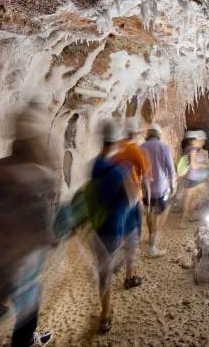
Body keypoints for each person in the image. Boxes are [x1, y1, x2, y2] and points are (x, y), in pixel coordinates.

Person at [0, 102, 60, 347]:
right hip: (24, 250)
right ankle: (26, 340)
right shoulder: (37, 175)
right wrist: (50, 237)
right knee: (29, 295)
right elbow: (42, 215)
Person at [88, 119, 134, 334]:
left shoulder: (94, 165)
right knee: (107, 269)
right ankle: (105, 315)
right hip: (112, 229)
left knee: (103, 270)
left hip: (95, 228)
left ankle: (106, 308)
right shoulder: (119, 171)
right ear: (114, 143)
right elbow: (131, 200)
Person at [113, 117, 149, 289]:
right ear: (134, 133)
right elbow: (143, 172)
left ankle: (116, 257)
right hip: (131, 195)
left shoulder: (116, 150)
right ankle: (129, 276)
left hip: (116, 196)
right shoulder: (134, 150)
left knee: (120, 229)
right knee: (133, 235)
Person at [140, 123, 175, 257]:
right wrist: (172, 185)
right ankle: (152, 247)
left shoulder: (141, 147)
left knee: (149, 212)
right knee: (159, 212)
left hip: (146, 187)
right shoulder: (163, 147)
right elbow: (170, 168)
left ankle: (151, 236)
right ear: (159, 134)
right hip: (160, 187)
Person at [181, 130, 208, 226]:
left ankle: (189, 216)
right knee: (190, 199)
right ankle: (183, 221)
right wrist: (204, 165)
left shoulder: (191, 149)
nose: (203, 143)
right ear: (196, 141)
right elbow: (193, 165)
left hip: (193, 178)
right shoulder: (193, 150)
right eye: (202, 141)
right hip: (194, 179)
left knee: (192, 198)